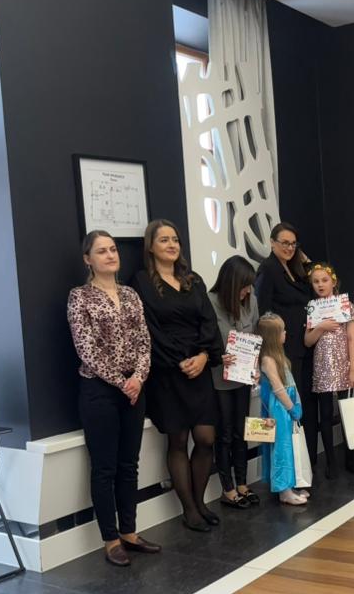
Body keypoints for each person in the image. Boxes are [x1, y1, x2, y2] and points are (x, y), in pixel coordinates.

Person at [68, 231, 160, 568]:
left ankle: (130, 532)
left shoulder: (131, 294)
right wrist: (122, 382)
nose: (110, 255)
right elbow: (86, 348)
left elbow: (144, 342)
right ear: (87, 259)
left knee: (129, 464)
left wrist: (138, 378)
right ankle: (110, 539)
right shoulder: (79, 297)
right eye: (101, 251)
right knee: (104, 467)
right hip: (100, 391)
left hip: (134, 387)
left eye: (113, 249)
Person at [132, 219, 223, 532]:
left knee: (206, 438)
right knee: (178, 439)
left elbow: (208, 321)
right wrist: (179, 360)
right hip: (168, 371)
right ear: (151, 246)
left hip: (199, 366)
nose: (171, 245)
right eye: (164, 240)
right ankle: (190, 510)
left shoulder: (193, 280)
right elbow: (148, 329)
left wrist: (203, 356)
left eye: (175, 240)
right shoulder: (141, 281)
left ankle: (200, 501)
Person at [255, 222, 315, 455]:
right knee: (288, 405)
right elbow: (262, 311)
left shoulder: (294, 268)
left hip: (303, 344)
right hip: (283, 349)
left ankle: (305, 460)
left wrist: (306, 262)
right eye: (284, 243)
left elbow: (311, 289)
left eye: (293, 244)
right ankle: (289, 461)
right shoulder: (268, 269)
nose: (289, 248)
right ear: (272, 243)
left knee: (304, 401)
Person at [208, 255, 260, 510]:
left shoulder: (252, 301)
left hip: (244, 377)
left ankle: (242, 483)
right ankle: (227, 489)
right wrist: (218, 356)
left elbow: (256, 335)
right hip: (220, 379)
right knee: (225, 434)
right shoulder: (210, 302)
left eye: (250, 286)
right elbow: (205, 341)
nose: (247, 291)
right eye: (244, 286)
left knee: (242, 431)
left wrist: (257, 366)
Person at [304, 263, 354, 481]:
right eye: (316, 281)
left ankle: (351, 457)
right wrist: (321, 327)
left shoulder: (345, 305)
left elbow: (352, 338)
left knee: (348, 413)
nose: (320, 285)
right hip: (322, 367)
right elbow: (308, 341)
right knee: (325, 415)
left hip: (344, 365)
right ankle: (331, 461)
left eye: (324, 280)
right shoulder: (313, 307)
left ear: (333, 282)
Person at [255, 313, 305, 505]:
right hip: (278, 408)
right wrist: (291, 407)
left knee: (288, 446)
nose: (286, 333)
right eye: (282, 331)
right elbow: (278, 387)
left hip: (285, 406)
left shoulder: (278, 356)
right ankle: (284, 490)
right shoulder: (268, 360)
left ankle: (288, 485)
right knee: (281, 448)